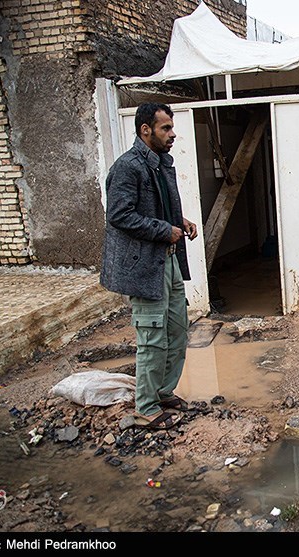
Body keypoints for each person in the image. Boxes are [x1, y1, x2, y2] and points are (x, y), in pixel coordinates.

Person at [100, 102, 198, 430]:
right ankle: (145, 406)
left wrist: (178, 221)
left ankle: (163, 392)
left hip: (167, 263)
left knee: (177, 330)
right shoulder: (128, 167)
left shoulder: (159, 164)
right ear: (146, 130)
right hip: (145, 268)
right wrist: (163, 230)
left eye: (171, 127)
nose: (173, 134)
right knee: (153, 336)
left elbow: (155, 208)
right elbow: (119, 215)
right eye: (165, 128)